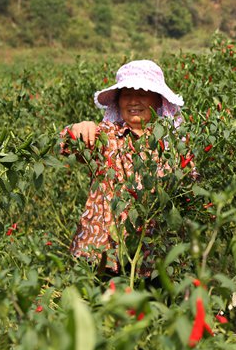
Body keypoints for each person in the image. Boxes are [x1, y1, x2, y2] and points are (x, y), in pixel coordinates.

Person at [62, 59, 185, 275]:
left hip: (153, 258)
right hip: (101, 255)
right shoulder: (107, 137)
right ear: (118, 102)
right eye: (127, 94)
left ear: (158, 101)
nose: (133, 101)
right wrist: (79, 129)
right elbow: (67, 144)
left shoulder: (173, 146)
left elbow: (190, 192)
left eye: (142, 93)